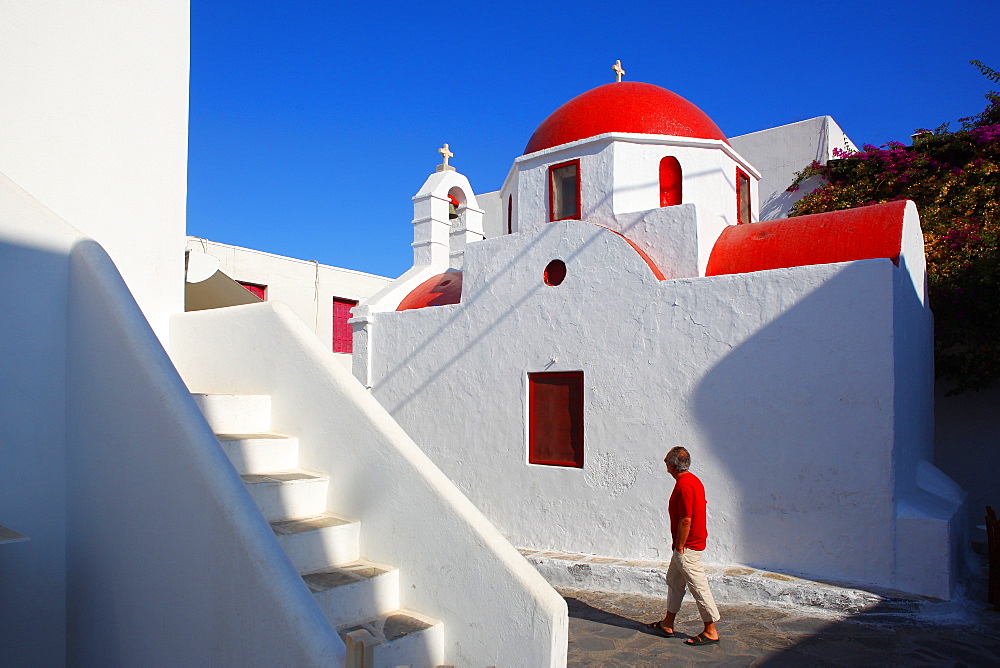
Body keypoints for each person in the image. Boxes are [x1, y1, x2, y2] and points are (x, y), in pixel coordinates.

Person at [645, 446, 721, 646]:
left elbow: (686, 519)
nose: (665, 465)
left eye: (666, 462)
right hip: (686, 545)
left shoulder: (684, 485)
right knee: (674, 581)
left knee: (698, 587)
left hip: (687, 547)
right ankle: (667, 623)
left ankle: (711, 630)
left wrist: (679, 547)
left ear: (672, 465)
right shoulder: (692, 480)